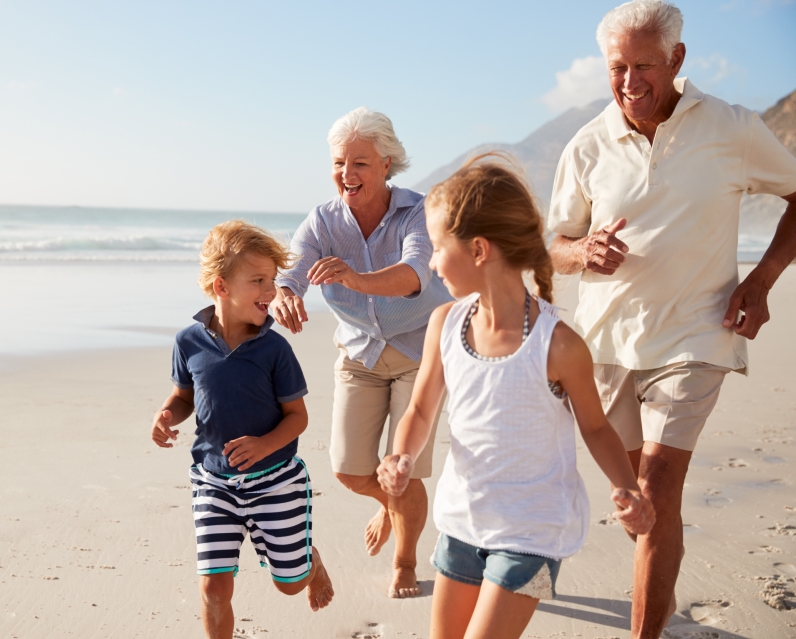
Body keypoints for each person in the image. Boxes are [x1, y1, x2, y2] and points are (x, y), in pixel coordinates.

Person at [547, 0, 796, 639]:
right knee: (641, 504)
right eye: (617, 68)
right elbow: (550, 246)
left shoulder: (732, 128)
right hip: (606, 344)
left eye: (643, 67)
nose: (630, 83)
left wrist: (762, 279)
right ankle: (658, 593)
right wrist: (580, 251)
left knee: (656, 490)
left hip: (697, 333)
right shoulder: (587, 144)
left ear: (678, 59)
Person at [376, 156, 655, 639]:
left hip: (532, 533)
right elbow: (421, 408)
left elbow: (595, 427)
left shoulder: (559, 345)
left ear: (479, 249)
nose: (432, 262)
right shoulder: (445, 324)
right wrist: (400, 455)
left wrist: (628, 488)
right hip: (462, 521)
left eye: (439, 247)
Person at [271, 107, 453, 598]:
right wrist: (285, 293)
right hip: (360, 356)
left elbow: (416, 272)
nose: (347, 175)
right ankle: (390, 503)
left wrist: (354, 277)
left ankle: (405, 562)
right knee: (351, 470)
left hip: (421, 353)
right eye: (338, 163)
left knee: (401, 468)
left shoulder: (418, 211)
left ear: (387, 163)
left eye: (361, 164)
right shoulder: (323, 222)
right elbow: (291, 269)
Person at [150, 220, 334, 639]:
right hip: (213, 480)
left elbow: (298, 417)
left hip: (276, 482)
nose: (271, 291)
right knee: (214, 586)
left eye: (272, 280)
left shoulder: (274, 349)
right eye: (258, 280)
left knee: (289, 584)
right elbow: (183, 397)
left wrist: (265, 444)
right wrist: (165, 415)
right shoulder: (188, 342)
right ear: (221, 287)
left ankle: (311, 562)